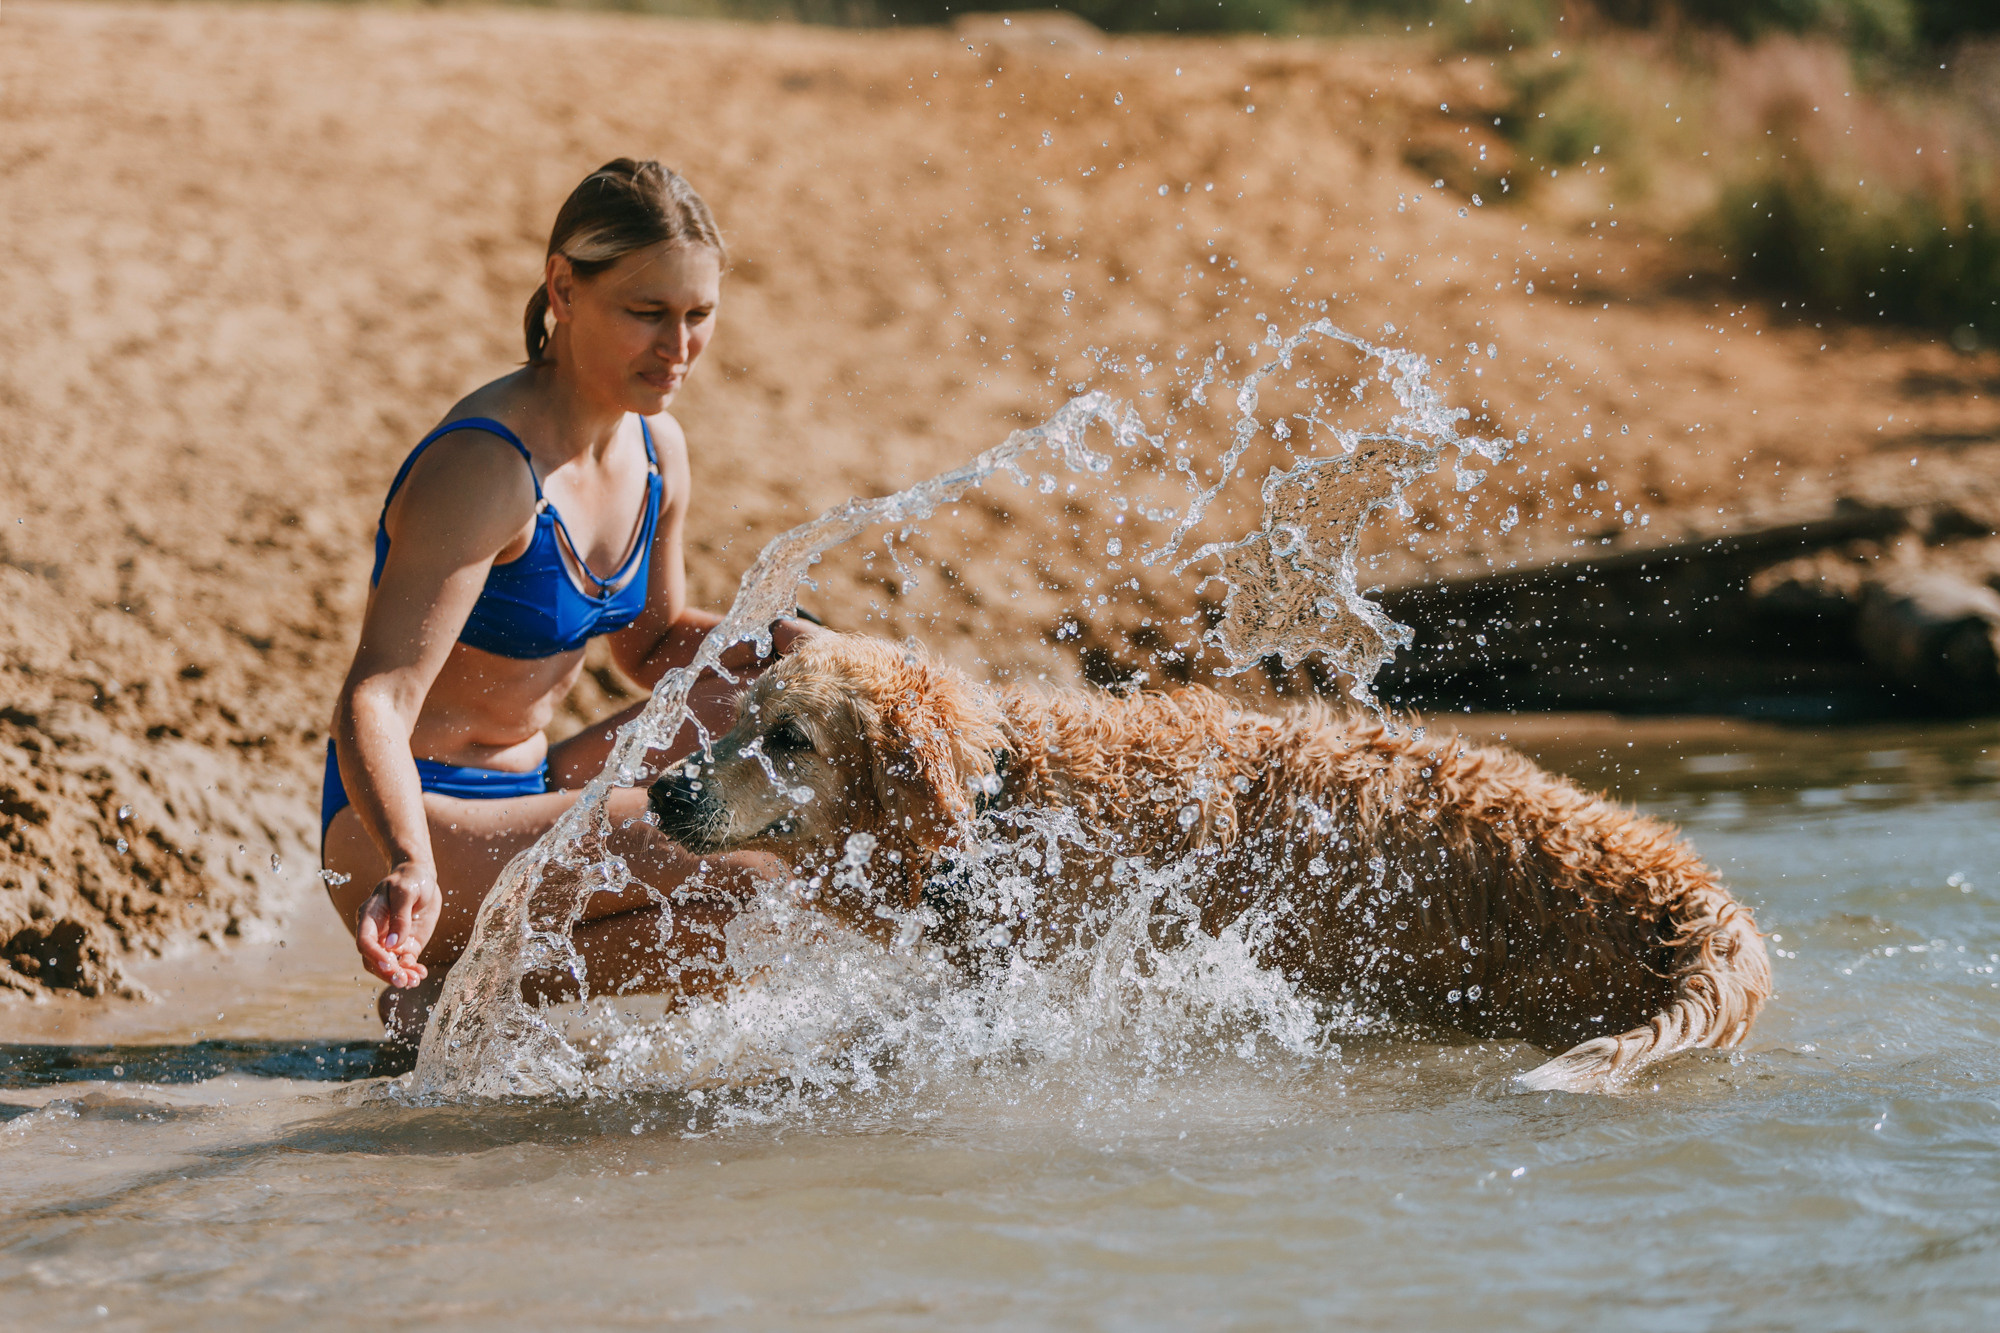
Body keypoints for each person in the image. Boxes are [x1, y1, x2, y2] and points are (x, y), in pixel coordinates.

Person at [321, 158, 805, 1040]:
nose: (678, 347)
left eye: (698, 316)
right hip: (410, 822)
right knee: (758, 872)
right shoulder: (487, 468)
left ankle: (463, 1002)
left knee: (784, 727)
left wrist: (793, 646)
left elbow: (652, 643)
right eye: (647, 313)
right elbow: (375, 699)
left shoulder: (657, 448)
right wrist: (407, 861)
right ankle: (454, 997)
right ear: (563, 289)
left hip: (532, 790)